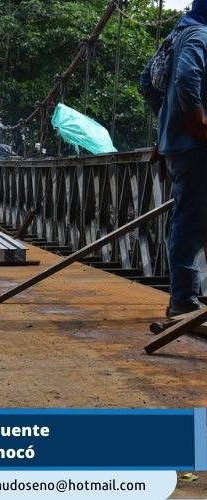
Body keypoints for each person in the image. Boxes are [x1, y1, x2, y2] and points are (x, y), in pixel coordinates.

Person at [141, 0, 207, 317]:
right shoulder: (200, 34)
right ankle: (182, 299)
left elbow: (146, 80)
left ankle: (187, 295)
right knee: (189, 220)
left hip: (179, 145)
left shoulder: (176, 36)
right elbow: (186, 80)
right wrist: (195, 123)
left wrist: (166, 128)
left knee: (193, 217)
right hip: (196, 146)